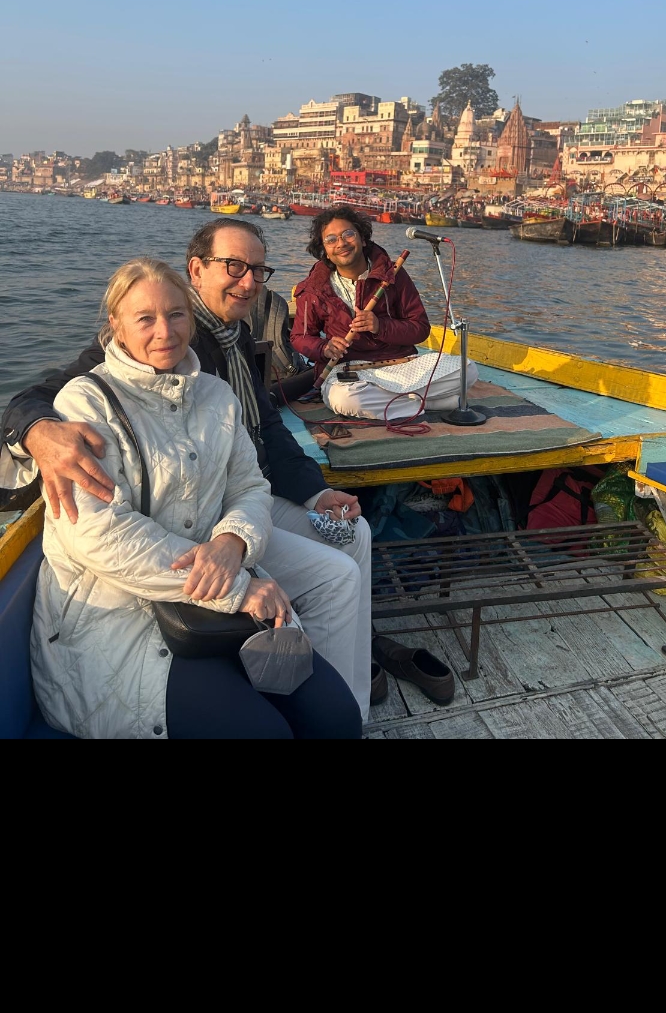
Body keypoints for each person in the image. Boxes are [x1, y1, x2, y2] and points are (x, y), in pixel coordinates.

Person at [1, 219, 374, 717]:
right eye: (234, 267)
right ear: (196, 269)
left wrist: (312, 493)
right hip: (196, 526)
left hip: (240, 507)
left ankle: (345, 682)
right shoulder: (157, 338)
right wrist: (37, 430)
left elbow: (265, 427)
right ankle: (319, 690)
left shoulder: (234, 337)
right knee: (336, 571)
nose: (249, 282)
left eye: (258, 270)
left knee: (354, 535)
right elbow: (43, 394)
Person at [290, 206, 480, 421]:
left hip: (401, 363)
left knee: (467, 370)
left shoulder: (393, 274)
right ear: (324, 250)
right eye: (331, 239)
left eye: (348, 234)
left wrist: (380, 326)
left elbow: (420, 328)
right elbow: (299, 337)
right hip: (349, 372)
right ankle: (429, 403)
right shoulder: (314, 288)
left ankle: (401, 403)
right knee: (345, 400)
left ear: (363, 239)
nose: (341, 244)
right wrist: (324, 348)